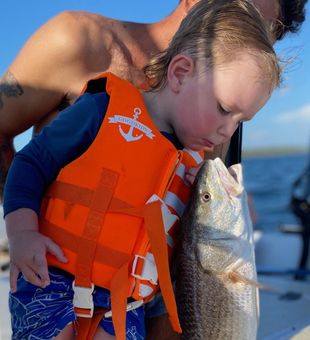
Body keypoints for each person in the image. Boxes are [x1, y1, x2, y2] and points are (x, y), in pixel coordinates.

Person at [3, 0, 281, 338]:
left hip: (127, 305)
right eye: (224, 109)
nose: (230, 131)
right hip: (53, 280)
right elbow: (31, 162)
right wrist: (21, 233)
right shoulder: (101, 110)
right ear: (180, 73)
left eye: (242, 121)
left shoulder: (191, 163)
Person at [0, 0, 307, 200]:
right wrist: (23, 219)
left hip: (154, 293)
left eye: (260, 33)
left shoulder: (220, 109)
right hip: (57, 279)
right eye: (238, 13)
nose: (245, 36)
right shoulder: (79, 41)